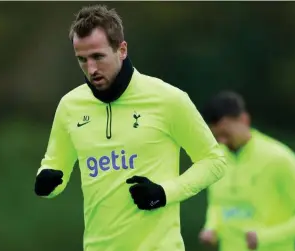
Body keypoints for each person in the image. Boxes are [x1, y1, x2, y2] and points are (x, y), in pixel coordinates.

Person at [33, 5, 227, 251]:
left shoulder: (168, 99)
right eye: (82, 59)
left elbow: (214, 161)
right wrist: (46, 184)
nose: (91, 69)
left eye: (98, 57)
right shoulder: (70, 106)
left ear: (121, 50)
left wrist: (164, 193)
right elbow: (55, 168)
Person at [198, 91, 295, 251]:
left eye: (225, 134)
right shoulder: (217, 159)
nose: (222, 141)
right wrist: (211, 228)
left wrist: (266, 237)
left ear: (244, 120)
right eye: (216, 136)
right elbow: (218, 205)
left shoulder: (279, 158)